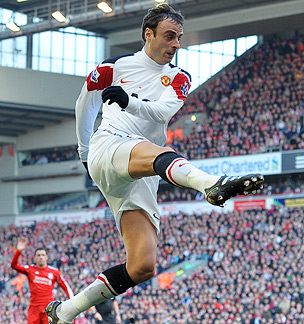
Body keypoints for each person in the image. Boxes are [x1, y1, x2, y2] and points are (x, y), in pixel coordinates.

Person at [44, 4, 263, 323]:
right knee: (161, 152)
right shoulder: (114, 67)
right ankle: (210, 185)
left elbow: (162, 113)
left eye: (179, 38)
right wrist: (84, 151)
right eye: (169, 36)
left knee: (142, 265)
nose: (176, 44)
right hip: (109, 146)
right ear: (148, 34)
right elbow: (85, 104)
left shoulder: (180, 77)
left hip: (141, 170)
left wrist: (128, 101)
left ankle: (65, 310)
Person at [10, 237, 73, 324]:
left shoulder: (54, 272)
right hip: (34, 308)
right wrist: (18, 251)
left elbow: (66, 287)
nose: (41, 257)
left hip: (48, 308)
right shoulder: (30, 269)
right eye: (38, 255)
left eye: (43, 255)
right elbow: (14, 265)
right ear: (35, 258)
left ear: (47, 257)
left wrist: (72, 302)